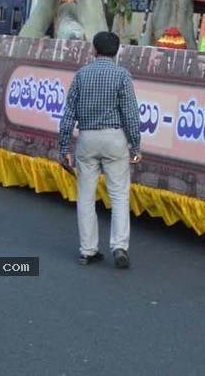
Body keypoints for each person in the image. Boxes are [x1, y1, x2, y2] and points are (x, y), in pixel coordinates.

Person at [57, 31, 142, 269]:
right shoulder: (122, 76)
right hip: (115, 138)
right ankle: (119, 247)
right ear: (117, 51)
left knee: (85, 196)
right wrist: (135, 145)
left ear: (94, 50)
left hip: (87, 138)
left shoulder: (82, 74)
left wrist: (64, 146)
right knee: (119, 195)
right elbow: (131, 115)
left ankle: (88, 250)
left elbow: (68, 115)